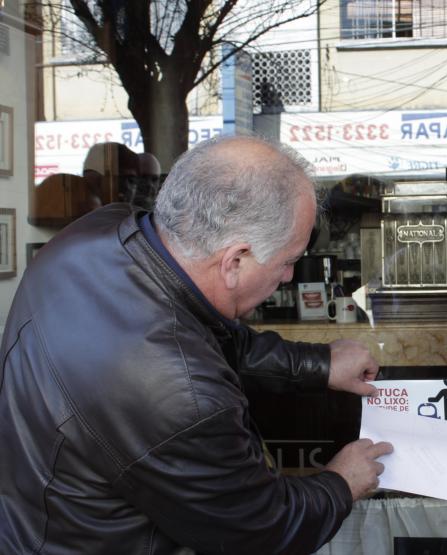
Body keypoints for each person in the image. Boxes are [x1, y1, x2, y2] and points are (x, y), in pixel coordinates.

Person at [0, 135, 394, 554]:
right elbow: (262, 530)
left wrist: (317, 363)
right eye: (289, 261)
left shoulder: (99, 234)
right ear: (235, 261)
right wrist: (342, 482)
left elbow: (206, 335)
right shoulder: (183, 397)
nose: (288, 278)